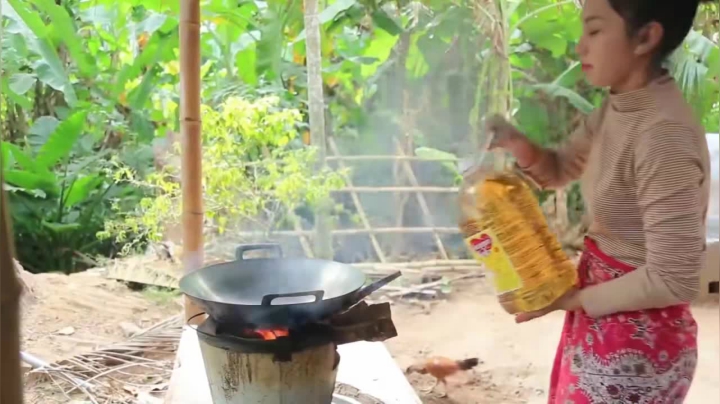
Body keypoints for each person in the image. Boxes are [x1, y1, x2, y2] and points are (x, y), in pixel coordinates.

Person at [486, 0, 713, 402]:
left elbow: (672, 278)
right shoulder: (617, 106)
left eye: (594, 31)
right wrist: (516, 143)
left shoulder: (662, 134)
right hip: (606, 317)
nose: (579, 48)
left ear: (645, 37)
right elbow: (560, 169)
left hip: (639, 340)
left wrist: (571, 298)